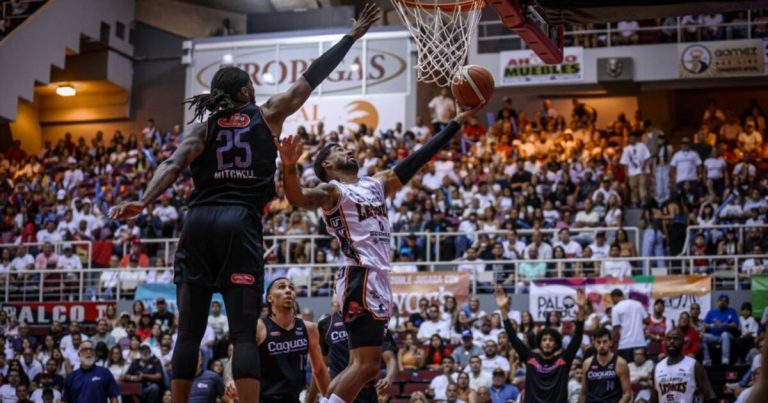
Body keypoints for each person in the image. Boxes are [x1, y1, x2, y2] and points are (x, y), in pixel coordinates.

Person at [108, 4, 381, 402]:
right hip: (240, 223)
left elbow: (171, 163)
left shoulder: (201, 128)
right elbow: (310, 79)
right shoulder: (266, 114)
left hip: (198, 221)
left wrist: (143, 200)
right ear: (246, 92)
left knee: (189, 330)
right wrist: (351, 37)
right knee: (243, 332)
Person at [276, 80, 487, 403]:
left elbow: (418, 159)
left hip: (375, 277)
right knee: (366, 366)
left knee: (362, 366)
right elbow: (298, 198)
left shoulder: (376, 184)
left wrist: (455, 123)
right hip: (361, 274)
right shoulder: (334, 191)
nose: (347, 150)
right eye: (337, 150)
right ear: (328, 166)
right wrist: (289, 168)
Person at [496, 286, 586, 403]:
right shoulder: (530, 358)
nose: (547, 342)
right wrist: (503, 310)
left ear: (556, 344)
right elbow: (513, 338)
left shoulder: (564, 359)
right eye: (544, 340)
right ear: (539, 343)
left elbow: (577, 338)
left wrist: (582, 309)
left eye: (550, 340)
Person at [257, 278, 329, 402]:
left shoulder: (309, 328)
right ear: (270, 298)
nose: (288, 290)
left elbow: (319, 369)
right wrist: (230, 379)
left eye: (291, 287)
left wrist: (330, 399)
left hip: (294, 398)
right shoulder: (259, 328)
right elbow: (238, 361)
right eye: (281, 287)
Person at [310, 302, 398, 403]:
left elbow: (390, 358)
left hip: (367, 393)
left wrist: (389, 378)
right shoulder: (326, 324)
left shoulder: (374, 320)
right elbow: (320, 368)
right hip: (339, 392)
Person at [651, 329, 716, 403]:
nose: (672, 341)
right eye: (668, 339)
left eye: (676, 339)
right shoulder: (657, 368)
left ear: (683, 343)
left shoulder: (694, 366)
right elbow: (654, 399)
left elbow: (710, 395)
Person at [579, 327, 631, 403]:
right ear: (594, 343)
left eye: (605, 342)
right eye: (598, 342)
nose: (602, 345)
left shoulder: (620, 363)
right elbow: (584, 393)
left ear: (611, 342)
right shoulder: (587, 363)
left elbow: (627, 394)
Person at [701, 294, 739, 366]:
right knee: (702, 336)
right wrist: (713, 325)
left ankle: (725, 359)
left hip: (727, 336)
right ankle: (707, 360)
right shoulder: (711, 312)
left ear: (727, 303)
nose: (722, 302)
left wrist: (724, 324)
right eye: (721, 300)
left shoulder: (732, 311)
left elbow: (735, 325)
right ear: (718, 301)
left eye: (724, 301)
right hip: (713, 336)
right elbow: (705, 324)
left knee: (724, 334)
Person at [610, 289, 647, 363]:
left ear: (615, 297)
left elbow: (616, 328)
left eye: (612, 299)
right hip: (640, 343)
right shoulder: (638, 304)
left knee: (625, 371)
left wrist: (611, 341)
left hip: (625, 345)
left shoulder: (616, 308)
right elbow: (646, 320)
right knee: (641, 370)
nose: (612, 302)